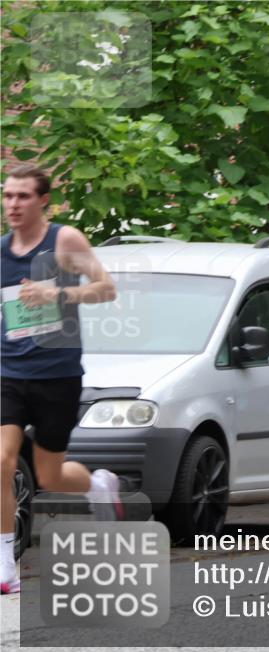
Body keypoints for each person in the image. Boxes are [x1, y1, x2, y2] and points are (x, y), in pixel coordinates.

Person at [1, 165, 120, 595]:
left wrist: (58, 294)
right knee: (2, 460)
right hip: (9, 373)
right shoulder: (0, 251)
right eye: (8, 196)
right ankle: (5, 565)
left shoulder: (64, 241)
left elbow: (107, 288)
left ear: (43, 200)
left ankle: (97, 484)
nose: (13, 204)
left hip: (57, 375)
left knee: (50, 476)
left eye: (22, 197)